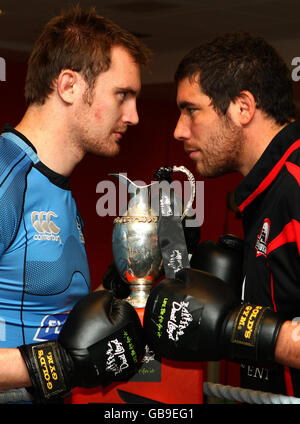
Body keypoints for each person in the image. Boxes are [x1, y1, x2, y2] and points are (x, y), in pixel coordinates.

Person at [0, 5, 150, 403]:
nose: (133, 116)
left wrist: (120, 282)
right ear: (68, 87)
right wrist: (56, 364)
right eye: (122, 95)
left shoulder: (55, 186)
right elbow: (60, 355)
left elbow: (50, 317)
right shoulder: (3, 179)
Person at [143, 32, 300, 398]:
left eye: (191, 110)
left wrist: (236, 327)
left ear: (242, 107)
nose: (179, 130)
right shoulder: (267, 192)